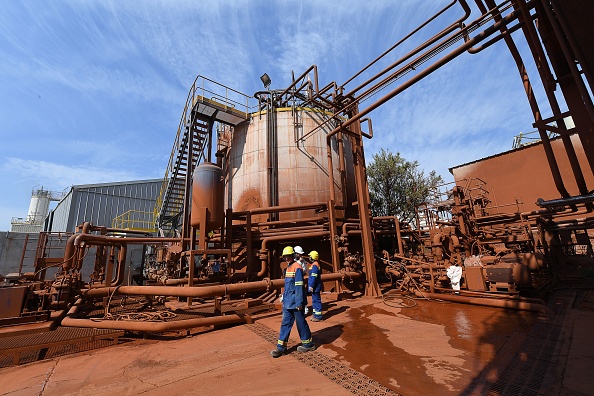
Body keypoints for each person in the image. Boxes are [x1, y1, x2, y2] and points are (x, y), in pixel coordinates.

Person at [270, 246, 315, 358]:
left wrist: (300, 302)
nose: (286, 259)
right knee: (285, 324)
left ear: (293, 256)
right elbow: (288, 286)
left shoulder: (297, 267)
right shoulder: (289, 268)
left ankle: (308, 344)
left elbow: (299, 286)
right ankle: (281, 348)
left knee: (301, 324)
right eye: (285, 257)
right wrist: (284, 297)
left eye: (288, 256)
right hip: (288, 302)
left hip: (296, 302)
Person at [307, 251, 323, 321]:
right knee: (314, 300)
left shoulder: (315, 265)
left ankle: (318, 316)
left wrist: (311, 285)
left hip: (315, 286)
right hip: (315, 286)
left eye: (310, 256)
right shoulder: (314, 265)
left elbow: (313, 277)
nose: (309, 258)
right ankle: (315, 314)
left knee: (316, 300)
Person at [294, 246, 309, 315]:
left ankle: (304, 307)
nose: (300, 255)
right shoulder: (292, 261)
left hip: (300, 279)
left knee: (302, 293)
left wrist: (300, 262)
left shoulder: (303, 261)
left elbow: (304, 270)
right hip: (293, 280)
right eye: (299, 254)